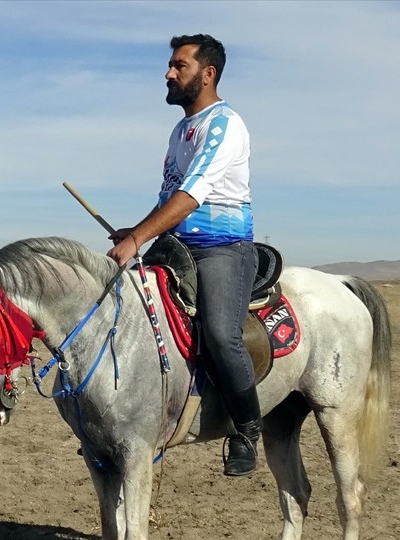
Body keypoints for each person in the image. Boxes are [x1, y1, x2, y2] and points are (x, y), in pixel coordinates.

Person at [106, 34, 260, 477]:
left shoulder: (225, 124)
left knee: (218, 333)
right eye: (170, 66)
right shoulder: (180, 131)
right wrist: (136, 231)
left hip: (221, 248)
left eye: (180, 66)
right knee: (125, 308)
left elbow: (192, 195)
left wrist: (137, 241)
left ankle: (247, 428)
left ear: (207, 74)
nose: (168, 73)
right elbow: (169, 197)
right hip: (175, 245)